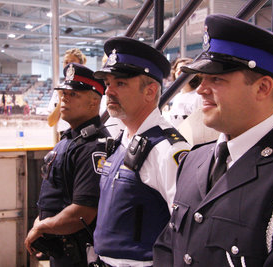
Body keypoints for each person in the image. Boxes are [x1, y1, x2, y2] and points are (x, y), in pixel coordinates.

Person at [153, 14, 273, 267]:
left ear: (262, 88)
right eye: (201, 79)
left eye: (216, 79)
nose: (201, 89)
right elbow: (168, 247)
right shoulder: (194, 160)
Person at [92, 36, 191, 267]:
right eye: (108, 83)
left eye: (121, 83)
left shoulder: (167, 149)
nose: (109, 92)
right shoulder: (120, 141)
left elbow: (186, 231)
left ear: (150, 91)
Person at [25, 63, 110, 267]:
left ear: (93, 103)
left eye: (73, 94)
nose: (64, 98)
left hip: (78, 254)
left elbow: (83, 212)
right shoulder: (71, 139)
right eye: (63, 93)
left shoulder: (93, 146)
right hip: (61, 249)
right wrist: (41, 222)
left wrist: (42, 226)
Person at [47, 48, 87, 134]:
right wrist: (61, 100)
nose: (69, 65)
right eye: (66, 62)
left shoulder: (87, 89)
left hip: (82, 136)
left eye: (72, 62)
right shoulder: (59, 89)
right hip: (63, 136)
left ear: (81, 64)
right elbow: (51, 122)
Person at [165, 57, 202, 128]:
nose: (178, 73)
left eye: (182, 70)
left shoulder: (199, 95)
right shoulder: (177, 97)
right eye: (177, 70)